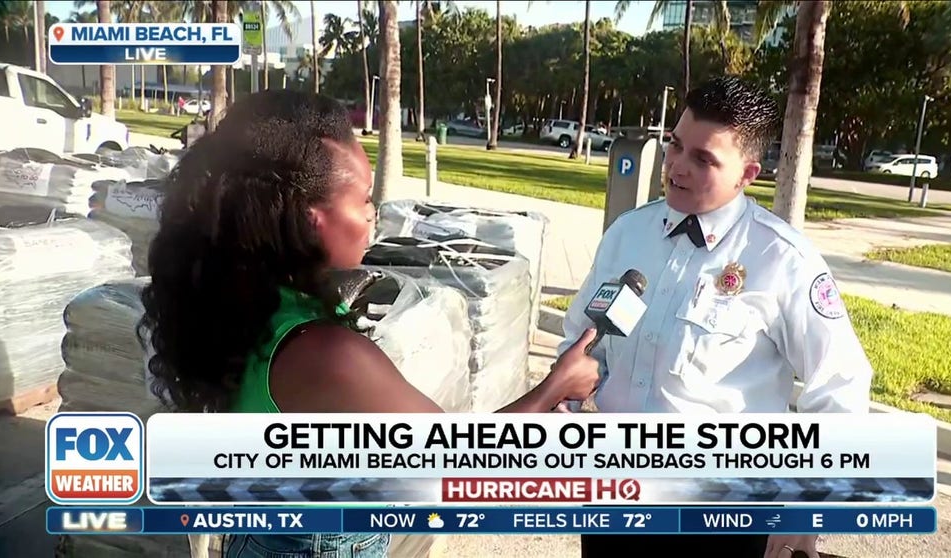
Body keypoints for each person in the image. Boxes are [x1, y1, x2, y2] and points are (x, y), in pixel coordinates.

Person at [139, 90, 602, 558]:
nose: (372, 218)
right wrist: (554, 386)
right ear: (310, 218)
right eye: (362, 200)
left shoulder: (251, 300)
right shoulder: (324, 354)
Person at [558, 77, 874, 558]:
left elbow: (839, 387)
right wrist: (564, 410)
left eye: (703, 159)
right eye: (675, 146)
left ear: (747, 174)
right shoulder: (628, 235)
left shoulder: (781, 259)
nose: (677, 168)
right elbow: (581, 342)